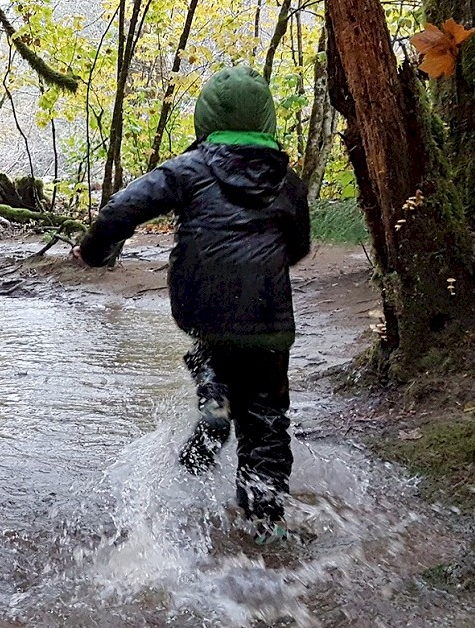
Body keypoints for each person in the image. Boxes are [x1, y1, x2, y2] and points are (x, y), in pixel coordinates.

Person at [74, 66, 311, 543]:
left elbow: (121, 209)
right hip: (267, 316)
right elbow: (300, 246)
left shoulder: (187, 169)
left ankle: (213, 394)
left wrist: (94, 253)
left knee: (210, 345)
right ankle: (264, 522)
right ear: (266, 119)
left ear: (204, 119)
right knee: (265, 419)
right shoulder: (288, 182)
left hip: (202, 305)